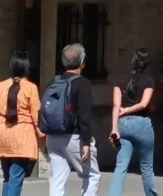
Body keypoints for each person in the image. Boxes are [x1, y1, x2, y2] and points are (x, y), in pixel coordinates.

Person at [45, 43, 100, 196]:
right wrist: (86, 141)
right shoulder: (82, 83)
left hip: (53, 136)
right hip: (74, 137)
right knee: (91, 174)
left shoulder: (54, 81)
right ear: (82, 62)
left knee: (56, 179)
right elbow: (84, 114)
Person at [108, 48, 156, 196]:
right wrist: (128, 110)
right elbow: (144, 104)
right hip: (142, 124)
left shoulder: (120, 80)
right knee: (147, 167)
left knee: (121, 165)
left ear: (133, 61)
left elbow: (116, 106)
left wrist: (114, 128)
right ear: (147, 63)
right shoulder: (148, 80)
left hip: (123, 125)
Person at [0, 52, 43, 196]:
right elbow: (36, 115)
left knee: (7, 178)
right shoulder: (30, 88)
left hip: (4, 135)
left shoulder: (2, 86)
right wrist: (41, 133)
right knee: (16, 179)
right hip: (22, 137)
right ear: (26, 68)